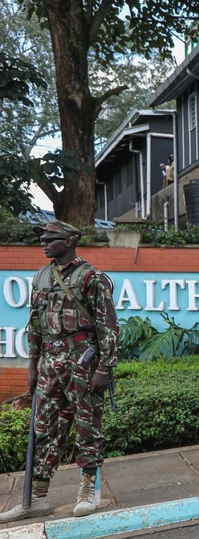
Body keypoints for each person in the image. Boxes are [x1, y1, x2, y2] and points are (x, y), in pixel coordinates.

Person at [1, 220, 119, 522]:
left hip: (82, 361)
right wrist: (32, 364)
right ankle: (36, 497)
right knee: (44, 429)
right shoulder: (41, 277)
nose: (44, 242)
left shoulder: (91, 278)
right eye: (42, 238)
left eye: (50, 238)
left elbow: (108, 327)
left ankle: (89, 491)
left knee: (86, 427)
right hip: (50, 363)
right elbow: (36, 325)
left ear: (69, 241)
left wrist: (104, 368)